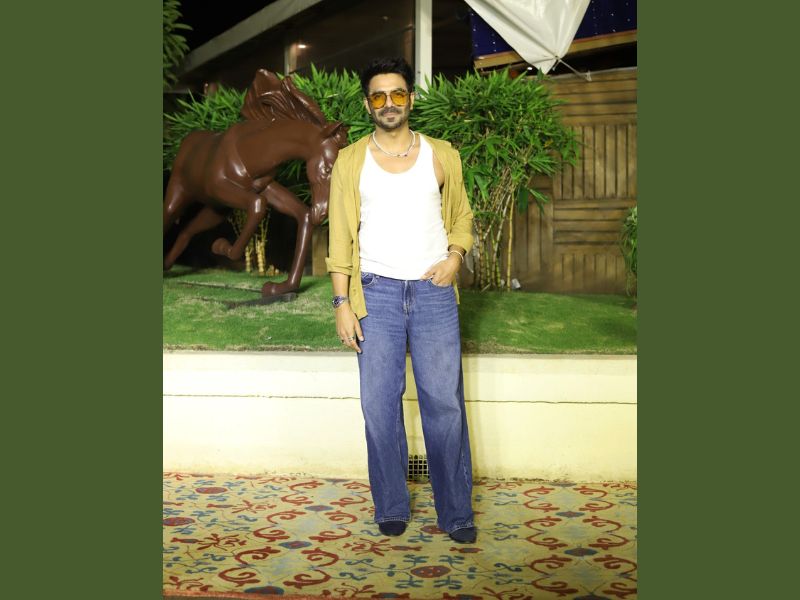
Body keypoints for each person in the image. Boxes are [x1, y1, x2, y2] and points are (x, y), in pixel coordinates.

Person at [325, 57, 476, 544]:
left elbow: (462, 217)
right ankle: (391, 505)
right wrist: (341, 304)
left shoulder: (441, 154)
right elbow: (340, 237)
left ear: (410, 98)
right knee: (379, 405)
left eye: (397, 94)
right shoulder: (351, 161)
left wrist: (455, 258)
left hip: (433, 292)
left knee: (444, 404)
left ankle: (456, 513)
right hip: (377, 294)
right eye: (378, 96)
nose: (388, 103)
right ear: (367, 104)